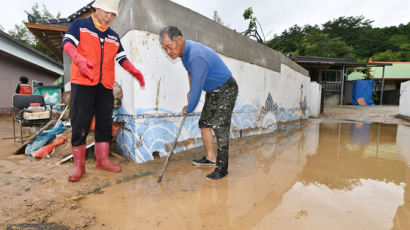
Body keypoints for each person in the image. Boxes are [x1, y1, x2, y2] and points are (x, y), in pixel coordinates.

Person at [62, 0, 145, 181]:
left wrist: (135, 71)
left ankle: (103, 160)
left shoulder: (114, 36)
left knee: (105, 123)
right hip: (83, 83)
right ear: (96, 8)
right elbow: (67, 43)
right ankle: (79, 167)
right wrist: (79, 59)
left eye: (113, 14)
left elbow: (122, 58)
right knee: (80, 123)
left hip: (105, 86)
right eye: (106, 12)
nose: (109, 17)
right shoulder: (81, 25)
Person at [159, 26, 238, 180]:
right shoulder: (184, 54)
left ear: (179, 40)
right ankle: (210, 158)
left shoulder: (196, 55)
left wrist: (189, 107)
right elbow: (191, 73)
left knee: (220, 127)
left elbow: (197, 86)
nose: (168, 52)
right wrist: (190, 91)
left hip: (226, 88)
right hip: (213, 91)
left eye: (169, 47)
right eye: (164, 49)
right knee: (205, 122)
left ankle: (222, 169)